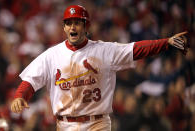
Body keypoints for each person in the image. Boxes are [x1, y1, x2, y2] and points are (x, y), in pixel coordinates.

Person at [10, 5, 189, 131]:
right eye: (69, 23)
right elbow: (31, 80)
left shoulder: (104, 50)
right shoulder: (52, 55)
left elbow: (135, 49)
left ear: (86, 26)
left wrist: (166, 42)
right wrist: (20, 96)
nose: (72, 26)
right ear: (64, 27)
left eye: (77, 22)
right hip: (65, 125)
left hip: (98, 124)